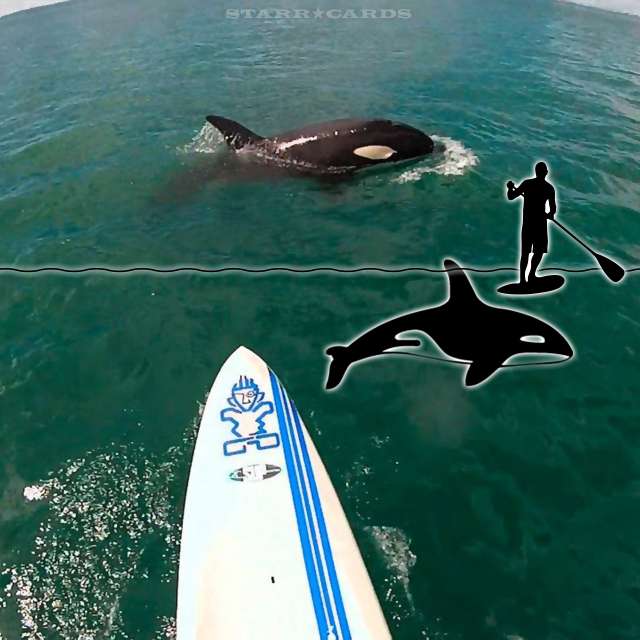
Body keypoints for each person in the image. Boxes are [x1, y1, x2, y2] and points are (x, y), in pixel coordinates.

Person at [506, 161, 557, 284]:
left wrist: (509, 188)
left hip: (528, 224)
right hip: (540, 224)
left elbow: (511, 196)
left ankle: (524, 279)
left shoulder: (527, 184)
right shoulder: (549, 188)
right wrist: (550, 215)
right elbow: (553, 208)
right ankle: (531, 275)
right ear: (546, 173)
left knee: (526, 253)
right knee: (538, 252)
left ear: (536, 172)